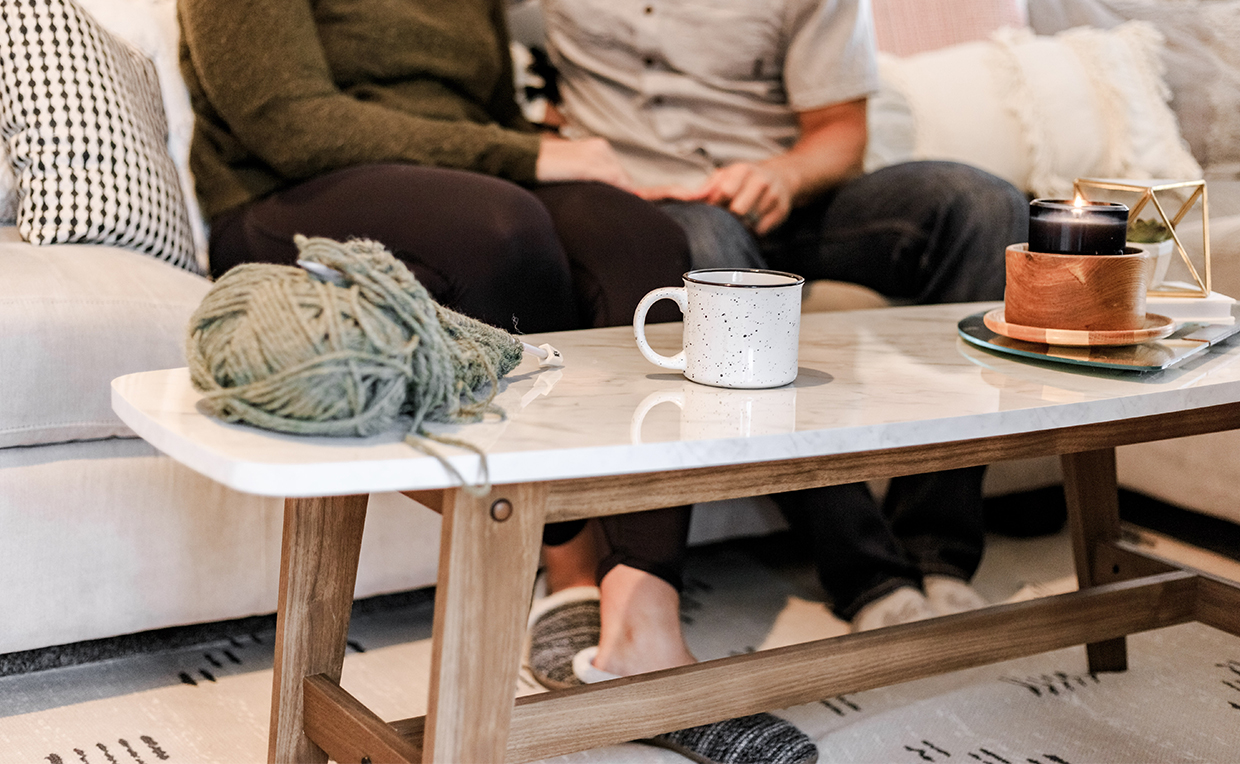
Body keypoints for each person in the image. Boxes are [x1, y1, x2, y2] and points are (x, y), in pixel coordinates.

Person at [178, 1, 817, 762]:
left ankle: (643, 623)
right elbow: (290, 123)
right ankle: (567, 559)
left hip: (461, 182)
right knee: (502, 231)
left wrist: (542, 147)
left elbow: (491, 115)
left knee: (642, 237)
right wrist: (538, 159)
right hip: (286, 193)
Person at [525, 0, 1029, 705]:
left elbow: (840, 135)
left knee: (984, 206)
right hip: (658, 212)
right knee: (708, 245)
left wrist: (782, 177)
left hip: (789, 198)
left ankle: (936, 551)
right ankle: (867, 573)